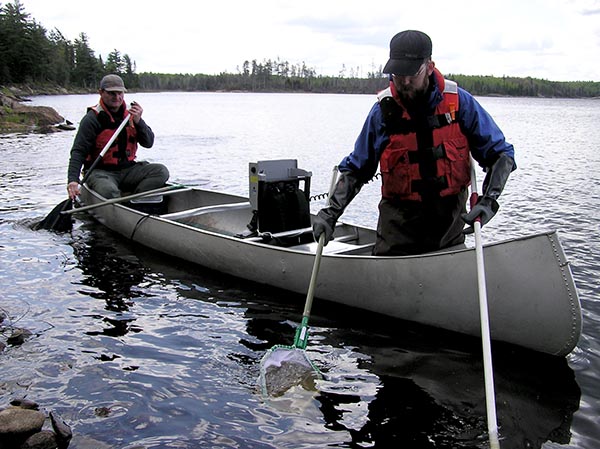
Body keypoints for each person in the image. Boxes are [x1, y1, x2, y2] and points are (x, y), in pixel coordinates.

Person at [313, 30, 516, 256]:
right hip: (399, 232)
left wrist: (488, 202)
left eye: (412, 73)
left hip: (449, 231)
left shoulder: (459, 104)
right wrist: (330, 213)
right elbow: (357, 168)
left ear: (429, 67)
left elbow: (501, 155)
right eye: (398, 74)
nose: (405, 81)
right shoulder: (382, 112)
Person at [67, 74, 169, 200]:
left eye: (120, 93)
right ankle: (118, 204)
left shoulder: (131, 116)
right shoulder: (92, 119)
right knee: (108, 191)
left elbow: (148, 143)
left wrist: (139, 122)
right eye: (112, 93)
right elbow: (78, 151)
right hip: (100, 172)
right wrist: (73, 180)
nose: (117, 97)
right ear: (101, 92)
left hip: (128, 170)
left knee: (161, 171)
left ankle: (137, 201)